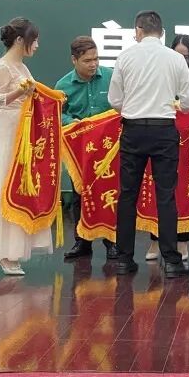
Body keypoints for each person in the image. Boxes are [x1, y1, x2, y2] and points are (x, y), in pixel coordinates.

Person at [108, 10, 189, 278]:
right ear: (162, 32)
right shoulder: (175, 58)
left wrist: (133, 107)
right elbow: (188, 103)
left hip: (133, 130)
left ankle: (124, 259)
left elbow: (114, 100)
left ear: (138, 30)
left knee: (127, 194)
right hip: (164, 130)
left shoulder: (125, 57)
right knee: (166, 195)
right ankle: (172, 260)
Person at [0, 18, 52, 276]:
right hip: (5, 131)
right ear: (19, 40)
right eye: (33, 40)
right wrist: (18, 94)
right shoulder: (2, 67)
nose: (36, 45)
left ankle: (15, 248)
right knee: (3, 186)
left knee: (19, 187)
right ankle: (2, 251)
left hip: (22, 131)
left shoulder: (22, 67)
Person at [146, 33, 189, 262]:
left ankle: (182, 242)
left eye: (187, 56)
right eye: (177, 55)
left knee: (185, 192)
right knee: (159, 190)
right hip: (161, 140)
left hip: (188, 146)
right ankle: (155, 241)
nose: (182, 60)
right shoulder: (159, 75)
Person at [57, 36, 118, 262]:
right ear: (74, 60)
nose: (93, 64)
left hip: (109, 146)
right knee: (80, 193)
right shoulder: (63, 86)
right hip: (80, 148)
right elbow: (57, 114)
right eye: (87, 61)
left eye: (96, 59)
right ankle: (82, 241)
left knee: (111, 191)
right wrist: (70, 121)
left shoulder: (111, 77)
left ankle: (112, 242)